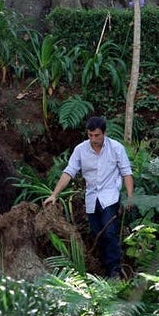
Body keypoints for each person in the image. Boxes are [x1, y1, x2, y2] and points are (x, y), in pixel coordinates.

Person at [43, 117, 134, 278]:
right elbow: (69, 172)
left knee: (109, 232)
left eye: (96, 135)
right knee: (96, 233)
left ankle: (115, 270)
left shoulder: (116, 148)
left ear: (104, 133)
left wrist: (130, 196)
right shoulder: (81, 149)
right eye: (90, 135)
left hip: (110, 195)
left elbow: (126, 172)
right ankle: (102, 269)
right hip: (92, 197)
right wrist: (54, 194)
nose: (93, 139)